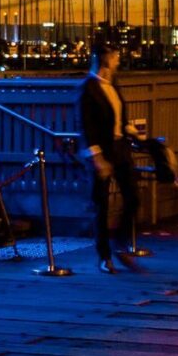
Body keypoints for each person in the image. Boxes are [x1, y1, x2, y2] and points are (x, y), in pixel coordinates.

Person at [77, 36, 137, 272]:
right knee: (101, 205)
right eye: (115, 57)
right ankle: (105, 255)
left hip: (120, 147)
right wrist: (97, 157)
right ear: (105, 59)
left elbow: (118, 115)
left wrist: (131, 130)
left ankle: (119, 243)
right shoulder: (88, 89)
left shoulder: (114, 83)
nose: (118, 61)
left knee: (132, 197)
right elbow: (86, 127)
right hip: (102, 151)